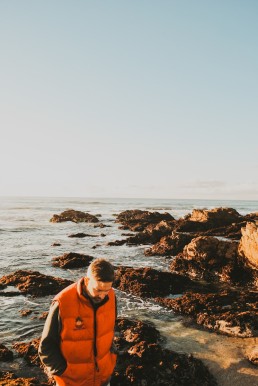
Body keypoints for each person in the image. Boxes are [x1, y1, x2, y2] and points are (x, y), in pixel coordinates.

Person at [38, 258, 117, 386]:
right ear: (87, 281)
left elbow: (110, 330)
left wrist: (112, 357)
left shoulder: (111, 296)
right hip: (71, 381)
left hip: (103, 378)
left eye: (106, 290)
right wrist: (62, 371)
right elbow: (46, 347)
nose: (102, 295)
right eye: (98, 290)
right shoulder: (63, 302)